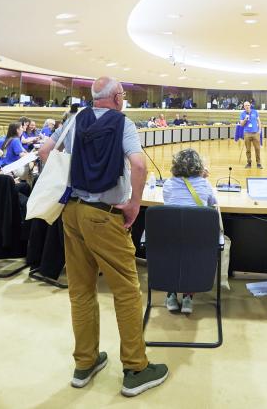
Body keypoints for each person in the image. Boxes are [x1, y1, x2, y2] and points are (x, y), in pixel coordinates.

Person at [38, 77, 167, 397]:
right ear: (118, 97)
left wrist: (64, 185)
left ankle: (85, 362)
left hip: (72, 213)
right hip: (104, 215)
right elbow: (138, 165)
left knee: (80, 289)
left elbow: (45, 150)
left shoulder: (75, 118)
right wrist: (134, 204)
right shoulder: (122, 123)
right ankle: (136, 367)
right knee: (126, 290)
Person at [160, 148, 217, 315]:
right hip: (198, 242)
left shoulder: (169, 184)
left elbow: (169, 202)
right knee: (191, 253)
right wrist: (203, 179)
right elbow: (212, 203)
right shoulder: (204, 184)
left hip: (171, 240)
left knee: (175, 253)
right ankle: (188, 298)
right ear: (199, 166)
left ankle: (171, 295)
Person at [239, 101, 262, 169]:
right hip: (247, 133)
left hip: (255, 133)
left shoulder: (255, 112)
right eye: (246, 105)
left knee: (257, 149)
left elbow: (259, 121)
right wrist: (245, 119)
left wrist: (259, 130)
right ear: (244, 107)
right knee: (248, 149)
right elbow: (241, 124)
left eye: (248, 105)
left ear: (250, 106)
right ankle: (249, 163)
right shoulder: (242, 114)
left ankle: (258, 163)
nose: (247, 106)